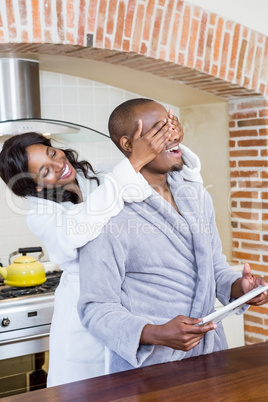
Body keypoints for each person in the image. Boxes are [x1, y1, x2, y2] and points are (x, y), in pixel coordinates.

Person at [0, 109, 202, 386]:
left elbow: (173, 177)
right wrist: (134, 162)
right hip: (86, 317)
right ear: (35, 187)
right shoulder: (40, 214)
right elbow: (78, 230)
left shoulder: (102, 180)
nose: (58, 164)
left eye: (51, 153)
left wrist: (169, 141)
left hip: (127, 305)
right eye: (45, 171)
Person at [78, 98, 268, 374]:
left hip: (211, 356)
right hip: (149, 367)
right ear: (128, 145)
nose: (172, 135)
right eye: (158, 130)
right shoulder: (108, 212)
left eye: (171, 125)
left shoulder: (195, 195)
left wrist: (241, 289)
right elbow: (96, 308)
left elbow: (213, 268)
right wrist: (154, 333)